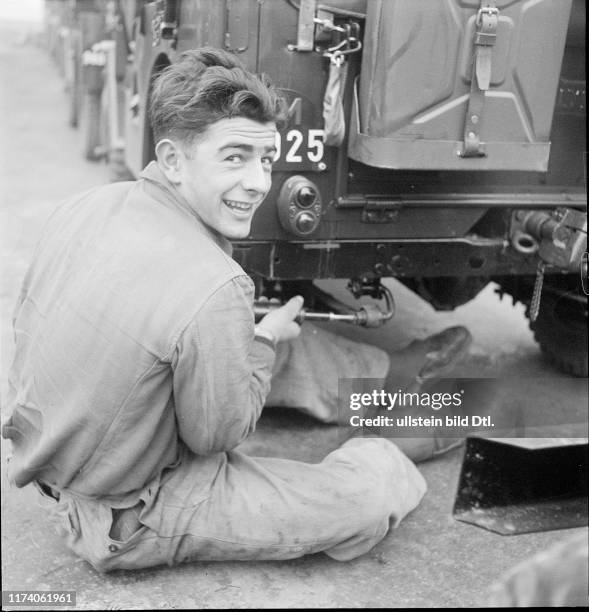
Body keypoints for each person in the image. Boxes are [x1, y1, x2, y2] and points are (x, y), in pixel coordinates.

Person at [2, 48, 471, 572]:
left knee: (248, 333)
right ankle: (385, 447)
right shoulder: (213, 284)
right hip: (128, 511)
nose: (258, 182)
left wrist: (258, 336)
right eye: (234, 158)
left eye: (264, 160)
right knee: (355, 503)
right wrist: (262, 343)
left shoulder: (86, 205)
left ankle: (386, 376)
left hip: (64, 449)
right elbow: (216, 437)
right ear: (174, 160)